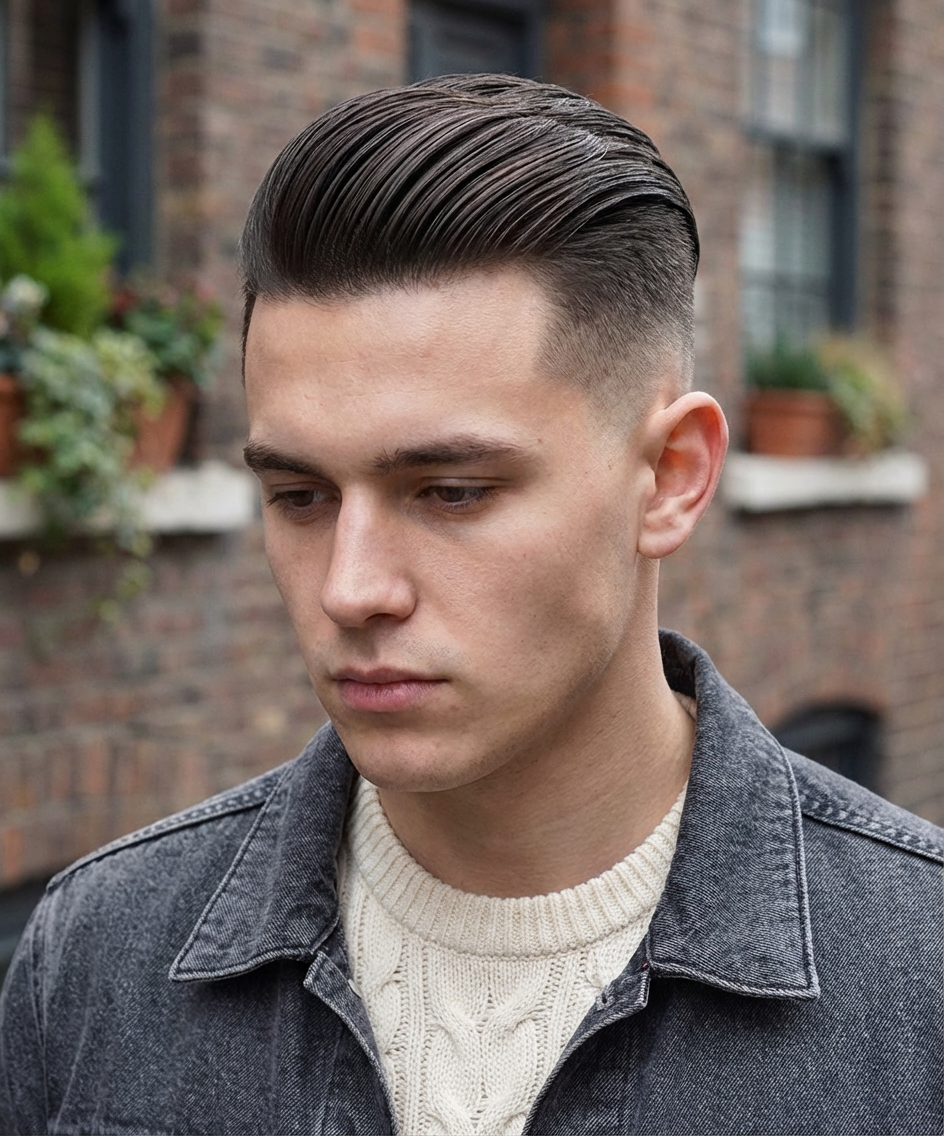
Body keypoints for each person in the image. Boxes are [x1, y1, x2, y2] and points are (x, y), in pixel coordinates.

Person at [1, 74, 941, 1136]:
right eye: (298, 494)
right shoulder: (94, 959)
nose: (350, 586)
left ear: (671, 475)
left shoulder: (917, 987)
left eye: (450, 491)